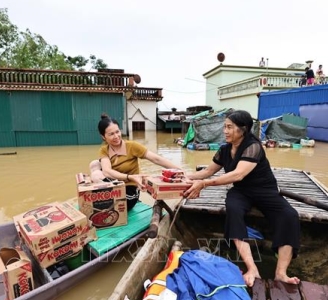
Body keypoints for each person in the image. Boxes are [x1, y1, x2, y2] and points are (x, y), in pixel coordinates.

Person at [183, 110, 301, 287]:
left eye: (229, 127)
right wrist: (184, 177)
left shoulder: (253, 147)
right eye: (224, 127)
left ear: (243, 129)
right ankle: (252, 268)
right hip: (241, 191)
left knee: (289, 215)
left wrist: (205, 184)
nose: (225, 131)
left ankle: (280, 273)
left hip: (264, 190)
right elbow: (207, 172)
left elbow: (238, 174)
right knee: (234, 210)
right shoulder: (224, 150)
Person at [90, 114, 182, 210]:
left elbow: (156, 159)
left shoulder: (132, 146)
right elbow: (107, 171)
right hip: (114, 186)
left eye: (117, 132)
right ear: (103, 137)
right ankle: (102, 197)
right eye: (111, 134)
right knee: (94, 164)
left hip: (129, 192)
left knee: (97, 178)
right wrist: (130, 177)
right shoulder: (104, 150)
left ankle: (104, 199)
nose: (116, 136)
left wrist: (179, 171)